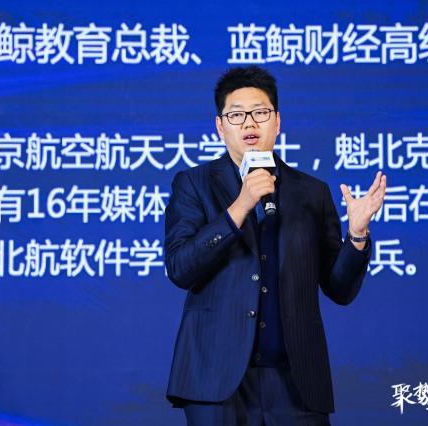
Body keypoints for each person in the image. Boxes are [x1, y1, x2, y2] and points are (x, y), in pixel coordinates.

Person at [164, 66, 387, 425]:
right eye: (236, 115)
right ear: (220, 127)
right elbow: (180, 267)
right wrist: (239, 207)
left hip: (296, 384)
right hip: (217, 383)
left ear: (278, 121)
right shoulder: (194, 184)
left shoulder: (311, 192)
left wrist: (357, 235)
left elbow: (340, 289)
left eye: (260, 112)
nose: (249, 123)